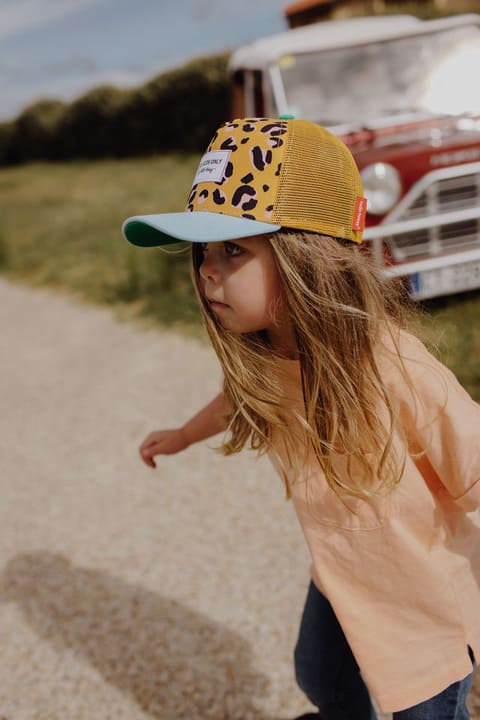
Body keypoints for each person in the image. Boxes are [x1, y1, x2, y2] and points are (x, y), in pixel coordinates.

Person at [122, 117, 480, 719]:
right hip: (340, 570)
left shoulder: (393, 368)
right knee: (319, 678)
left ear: (306, 256)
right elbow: (240, 400)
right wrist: (184, 435)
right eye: (203, 251)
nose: (208, 270)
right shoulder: (269, 357)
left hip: (421, 600)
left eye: (234, 248)